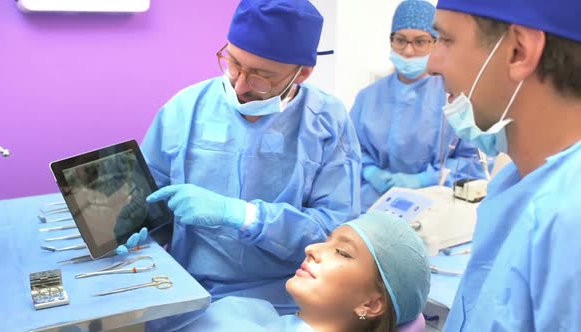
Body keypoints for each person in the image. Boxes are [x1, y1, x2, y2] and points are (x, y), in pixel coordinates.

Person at [118, 0, 362, 330]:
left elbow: (336, 237)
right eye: (233, 64)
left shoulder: (328, 123)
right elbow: (152, 202)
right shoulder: (184, 109)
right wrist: (136, 228)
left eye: (263, 77)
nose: (240, 85)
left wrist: (244, 215)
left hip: (288, 302)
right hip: (190, 297)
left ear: (302, 73)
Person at [427, 0, 581, 330]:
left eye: (446, 40)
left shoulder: (571, 218)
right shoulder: (515, 181)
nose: (432, 63)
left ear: (518, 51)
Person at [181, 210, 430, 332]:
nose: (312, 248)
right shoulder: (256, 314)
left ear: (371, 304)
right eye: (327, 240)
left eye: (342, 252)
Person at [350, 0, 489, 212]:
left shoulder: (454, 96)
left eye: (420, 41)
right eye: (400, 40)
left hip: (436, 207)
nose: (408, 51)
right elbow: (350, 150)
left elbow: (475, 161)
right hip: (372, 206)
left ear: (436, 42)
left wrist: (425, 179)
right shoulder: (368, 97)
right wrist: (369, 171)